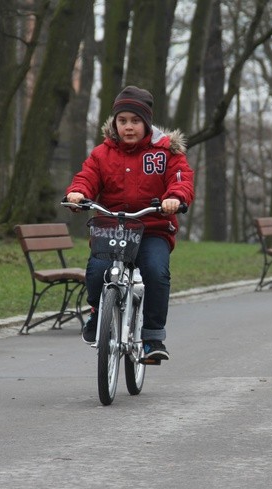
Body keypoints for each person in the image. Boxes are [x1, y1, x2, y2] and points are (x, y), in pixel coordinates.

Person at [65, 86, 195, 361]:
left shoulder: (166, 152)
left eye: (135, 121)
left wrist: (174, 197)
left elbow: (181, 179)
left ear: (146, 123)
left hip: (152, 227)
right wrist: (78, 193)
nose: (128, 127)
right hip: (112, 226)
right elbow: (87, 177)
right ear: (114, 123)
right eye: (122, 121)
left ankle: (152, 337)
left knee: (156, 271)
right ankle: (98, 314)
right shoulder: (102, 153)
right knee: (97, 269)